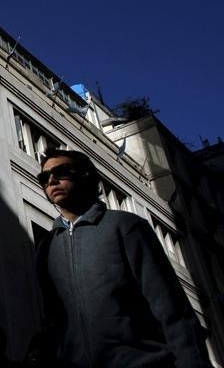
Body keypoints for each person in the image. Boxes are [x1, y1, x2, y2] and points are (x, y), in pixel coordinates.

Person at [34, 149, 212, 368]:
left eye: (61, 172)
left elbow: (170, 307)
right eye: (44, 177)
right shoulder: (46, 247)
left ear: (85, 176)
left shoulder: (126, 226)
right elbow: (52, 320)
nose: (51, 180)